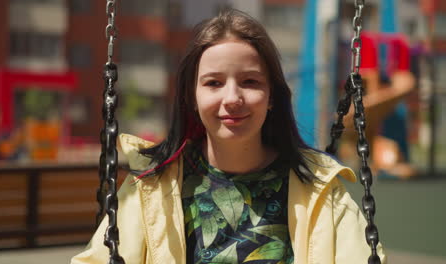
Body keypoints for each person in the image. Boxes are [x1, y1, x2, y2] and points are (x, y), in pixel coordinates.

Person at [72, 9, 386, 264]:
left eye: (250, 82)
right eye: (213, 83)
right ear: (191, 97)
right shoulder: (150, 187)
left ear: (272, 96)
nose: (232, 98)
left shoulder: (320, 188)